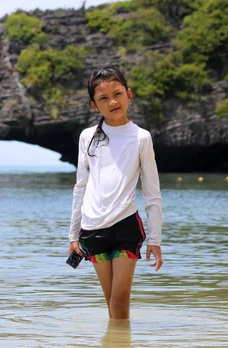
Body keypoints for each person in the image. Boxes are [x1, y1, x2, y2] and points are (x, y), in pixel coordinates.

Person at [69, 66, 163, 320]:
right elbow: (81, 187)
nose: (112, 101)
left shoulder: (141, 138)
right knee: (110, 304)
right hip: (92, 229)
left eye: (117, 93)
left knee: (120, 304)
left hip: (125, 228)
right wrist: (73, 236)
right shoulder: (87, 137)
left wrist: (155, 239)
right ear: (93, 105)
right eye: (103, 98)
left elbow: (152, 193)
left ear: (129, 94)